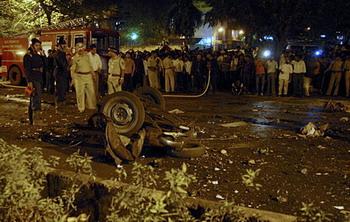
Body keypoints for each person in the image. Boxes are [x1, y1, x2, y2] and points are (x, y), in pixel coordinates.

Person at [70, 43, 96, 113]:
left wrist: (93, 74)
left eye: (81, 47)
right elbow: (73, 69)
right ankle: (81, 108)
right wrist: (73, 79)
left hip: (88, 76)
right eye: (78, 47)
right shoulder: (75, 58)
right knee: (80, 94)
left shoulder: (87, 56)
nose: (80, 49)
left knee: (91, 92)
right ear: (76, 48)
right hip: (79, 77)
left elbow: (90, 66)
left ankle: (91, 107)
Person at [23, 38, 44, 111]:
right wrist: (29, 81)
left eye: (39, 45)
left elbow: (45, 65)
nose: (38, 47)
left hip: (39, 77)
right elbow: (27, 70)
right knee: (35, 96)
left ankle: (36, 111)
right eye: (36, 45)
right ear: (32, 46)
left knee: (38, 95)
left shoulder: (38, 55)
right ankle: (35, 112)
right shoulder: (28, 55)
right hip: (33, 77)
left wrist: (43, 56)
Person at [53, 37, 69, 108]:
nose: (64, 46)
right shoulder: (59, 54)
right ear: (59, 46)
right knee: (60, 88)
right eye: (63, 44)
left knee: (63, 88)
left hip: (62, 73)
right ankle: (59, 103)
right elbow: (63, 64)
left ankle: (62, 101)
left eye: (64, 44)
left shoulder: (62, 53)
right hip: (60, 73)